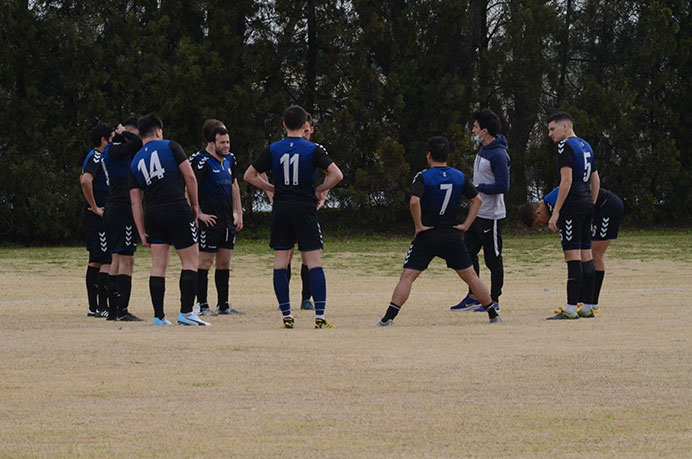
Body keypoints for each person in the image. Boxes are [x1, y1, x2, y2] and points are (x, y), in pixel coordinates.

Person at [376, 136, 501, 326]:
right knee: (471, 277)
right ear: (446, 155)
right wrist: (466, 225)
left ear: (429, 155)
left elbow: (414, 201)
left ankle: (388, 318)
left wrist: (418, 225)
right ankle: (493, 314)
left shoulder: (423, 176)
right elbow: (477, 200)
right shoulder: (459, 176)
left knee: (407, 277)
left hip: (427, 234)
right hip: (452, 234)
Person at [244, 105, 343, 329]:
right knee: (314, 263)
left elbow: (249, 175)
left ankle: (287, 316)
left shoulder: (273, 148)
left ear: (284, 125)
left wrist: (271, 187)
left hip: (281, 208)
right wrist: (319, 189)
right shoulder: (313, 149)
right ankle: (319, 317)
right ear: (304, 126)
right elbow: (337, 174)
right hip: (304, 208)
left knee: (280, 263)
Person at [129, 113, 206, 326]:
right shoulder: (171, 146)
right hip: (176, 208)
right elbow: (190, 177)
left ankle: (159, 316)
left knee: (158, 266)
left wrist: (141, 230)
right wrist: (195, 207)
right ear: (158, 131)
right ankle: (186, 312)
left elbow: (135, 202)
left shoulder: (135, 160)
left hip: (153, 213)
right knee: (190, 262)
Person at [519, 187, 624, 315]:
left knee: (595, 255)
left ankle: (593, 304)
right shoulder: (551, 204)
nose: (543, 224)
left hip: (607, 207)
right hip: (593, 211)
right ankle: (582, 302)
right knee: (585, 254)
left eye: (539, 222)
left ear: (538, 213)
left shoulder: (554, 202)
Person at [451, 109, 510, 312]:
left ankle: (494, 300)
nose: (473, 130)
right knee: (468, 254)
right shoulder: (483, 149)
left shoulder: (499, 154)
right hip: (476, 213)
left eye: (475, 127)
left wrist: (478, 187)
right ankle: (474, 295)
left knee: (493, 258)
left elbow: (503, 185)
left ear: (484, 131)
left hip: (491, 216)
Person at [544, 112, 600, 320]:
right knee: (587, 254)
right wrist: (591, 204)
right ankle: (587, 306)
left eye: (552, 129)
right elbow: (596, 180)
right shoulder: (585, 145)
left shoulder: (565, 146)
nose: (550, 134)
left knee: (572, 255)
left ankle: (570, 308)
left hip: (573, 205)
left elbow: (565, 181)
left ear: (565, 127)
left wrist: (556, 212)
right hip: (586, 202)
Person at [263, 114, 316, 311]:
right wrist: (270, 189)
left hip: (303, 207)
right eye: (305, 130)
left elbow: (331, 173)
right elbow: (257, 170)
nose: (306, 133)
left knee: (307, 256)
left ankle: (305, 298)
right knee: (287, 255)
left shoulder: (314, 150)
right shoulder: (280, 148)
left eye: (309, 131)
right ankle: (284, 302)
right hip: (288, 206)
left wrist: (321, 194)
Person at [193, 125, 244, 316]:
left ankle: (223, 304)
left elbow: (235, 186)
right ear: (211, 143)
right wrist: (198, 213)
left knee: (224, 263)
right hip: (209, 222)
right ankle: (202, 305)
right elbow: (190, 188)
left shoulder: (230, 159)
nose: (226, 146)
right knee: (204, 263)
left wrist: (238, 212)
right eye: (222, 142)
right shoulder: (201, 161)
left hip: (227, 221)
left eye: (228, 142)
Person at [101, 117, 144, 321]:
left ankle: (113, 310)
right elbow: (136, 142)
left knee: (117, 259)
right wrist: (123, 133)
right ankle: (122, 310)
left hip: (114, 209)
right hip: (121, 209)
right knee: (126, 260)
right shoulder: (114, 149)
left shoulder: (118, 152)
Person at [80, 123, 114, 317]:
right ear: (104, 140)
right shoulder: (97, 156)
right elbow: (85, 180)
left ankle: (94, 307)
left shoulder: (96, 157)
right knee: (104, 258)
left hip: (99, 215)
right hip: (96, 216)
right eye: (111, 138)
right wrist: (94, 207)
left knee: (96, 260)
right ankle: (102, 307)